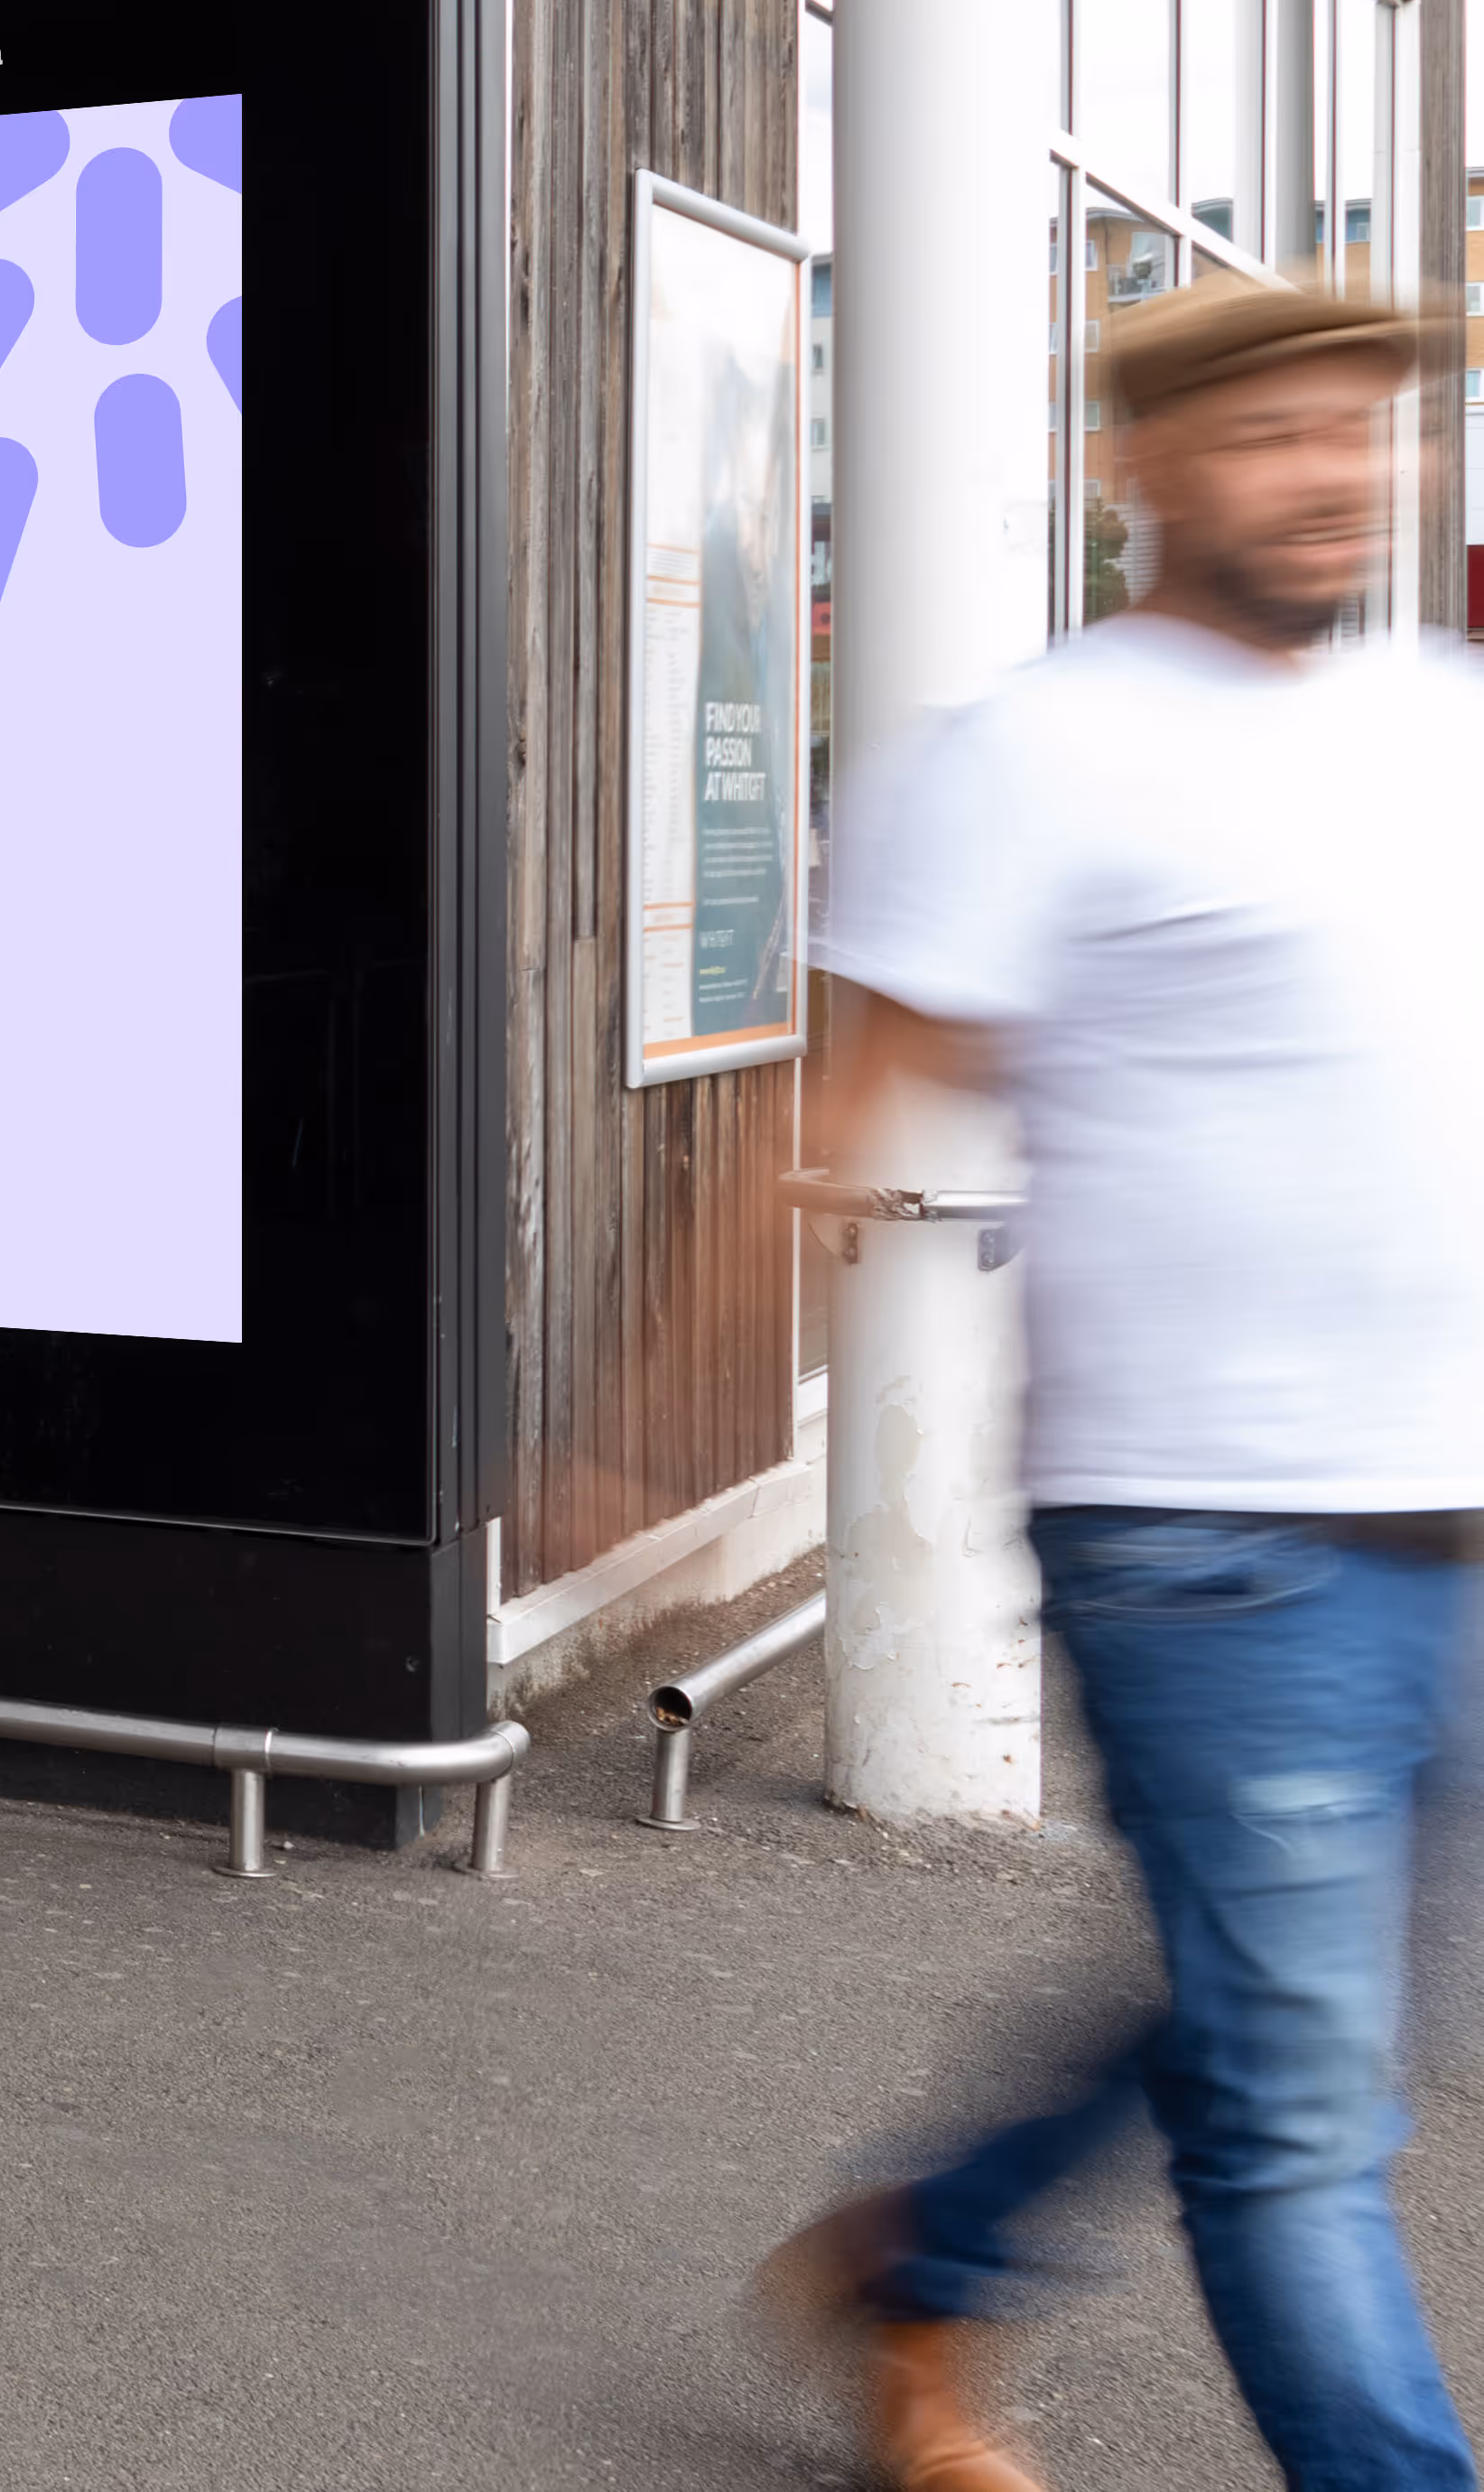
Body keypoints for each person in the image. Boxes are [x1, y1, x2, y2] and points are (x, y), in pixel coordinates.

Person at [764, 274, 1484, 2492]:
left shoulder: (1441, 713)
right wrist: (646, 1393)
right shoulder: (1035, 750)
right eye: (1271, 429)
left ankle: (923, 2259)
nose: (1334, 468)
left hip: (1453, 1494)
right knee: (1291, 2100)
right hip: (1201, 1531)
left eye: (1365, 427)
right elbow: (859, 1098)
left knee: (1254, 2000)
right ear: (1136, 470)